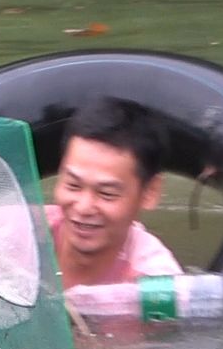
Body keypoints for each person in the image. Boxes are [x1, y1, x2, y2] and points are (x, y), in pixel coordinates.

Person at [47, 96, 183, 289]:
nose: (84, 207)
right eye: (73, 185)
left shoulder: (155, 284)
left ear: (150, 192)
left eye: (107, 193)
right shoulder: (13, 232)